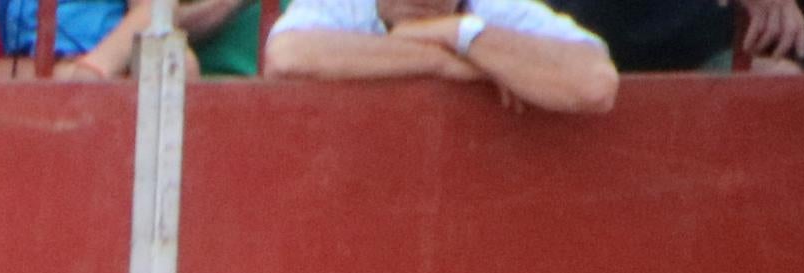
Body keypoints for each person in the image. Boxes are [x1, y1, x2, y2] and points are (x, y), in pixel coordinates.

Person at [263, 0, 618, 107]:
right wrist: (442, 61)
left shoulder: (494, 9)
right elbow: (285, 56)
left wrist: (459, 34)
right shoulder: (344, 4)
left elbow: (595, 83)